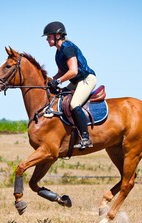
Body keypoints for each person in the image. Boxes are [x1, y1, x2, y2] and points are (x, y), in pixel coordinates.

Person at [43, 21, 97, 149]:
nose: (46, 39)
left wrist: (58, 81)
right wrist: (51, 80)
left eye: (49, 36)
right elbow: (62, 72)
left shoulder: (67, 48)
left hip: (86, 79)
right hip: (76, 82)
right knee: (59, 98)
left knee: (74, 104)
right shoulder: (58, 52)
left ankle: (85, 137)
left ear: (58, 35)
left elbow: (73, 71)